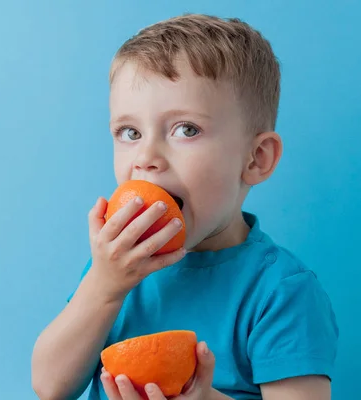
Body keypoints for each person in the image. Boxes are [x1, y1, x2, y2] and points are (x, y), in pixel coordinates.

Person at [31, 13, 338, 400]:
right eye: (130, 133)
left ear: (255, 159)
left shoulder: (281, 291)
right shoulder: (116, 269)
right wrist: (103, 288)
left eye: (186, 129)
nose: (147, 156)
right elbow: (50, 386)